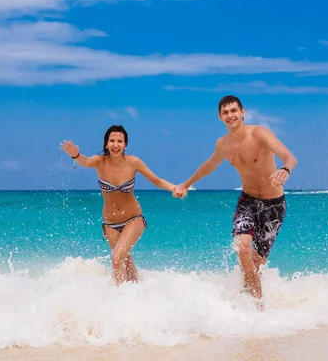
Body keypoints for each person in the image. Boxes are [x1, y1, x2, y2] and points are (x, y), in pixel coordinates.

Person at [173, 95, 298, 303]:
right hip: (247, 201)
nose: (230, 115)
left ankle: (251, 302)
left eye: (233, 111)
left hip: (273, 206)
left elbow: (290, 157)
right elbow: (209, 165)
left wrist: (285, 169)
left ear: (242, 112)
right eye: (225, 112)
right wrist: (186, 184)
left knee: (256, 263)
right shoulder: (223, 144)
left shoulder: (260, 134)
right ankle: (257, 305)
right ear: (220, 117)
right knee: (242, 248)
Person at [60, 125, 175, 285]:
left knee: (116, 258)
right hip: (111, 224)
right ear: (106, 144)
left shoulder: (133, 162)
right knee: (126, 262)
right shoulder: (100, 162)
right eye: (112, 140)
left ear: (125, 144)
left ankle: (118, 301)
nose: (116, 144)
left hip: (133, 219)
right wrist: (76, 155)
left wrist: (174, 188)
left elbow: (156, 180)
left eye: (119, 141)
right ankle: (137, 296)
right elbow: (85, 161)